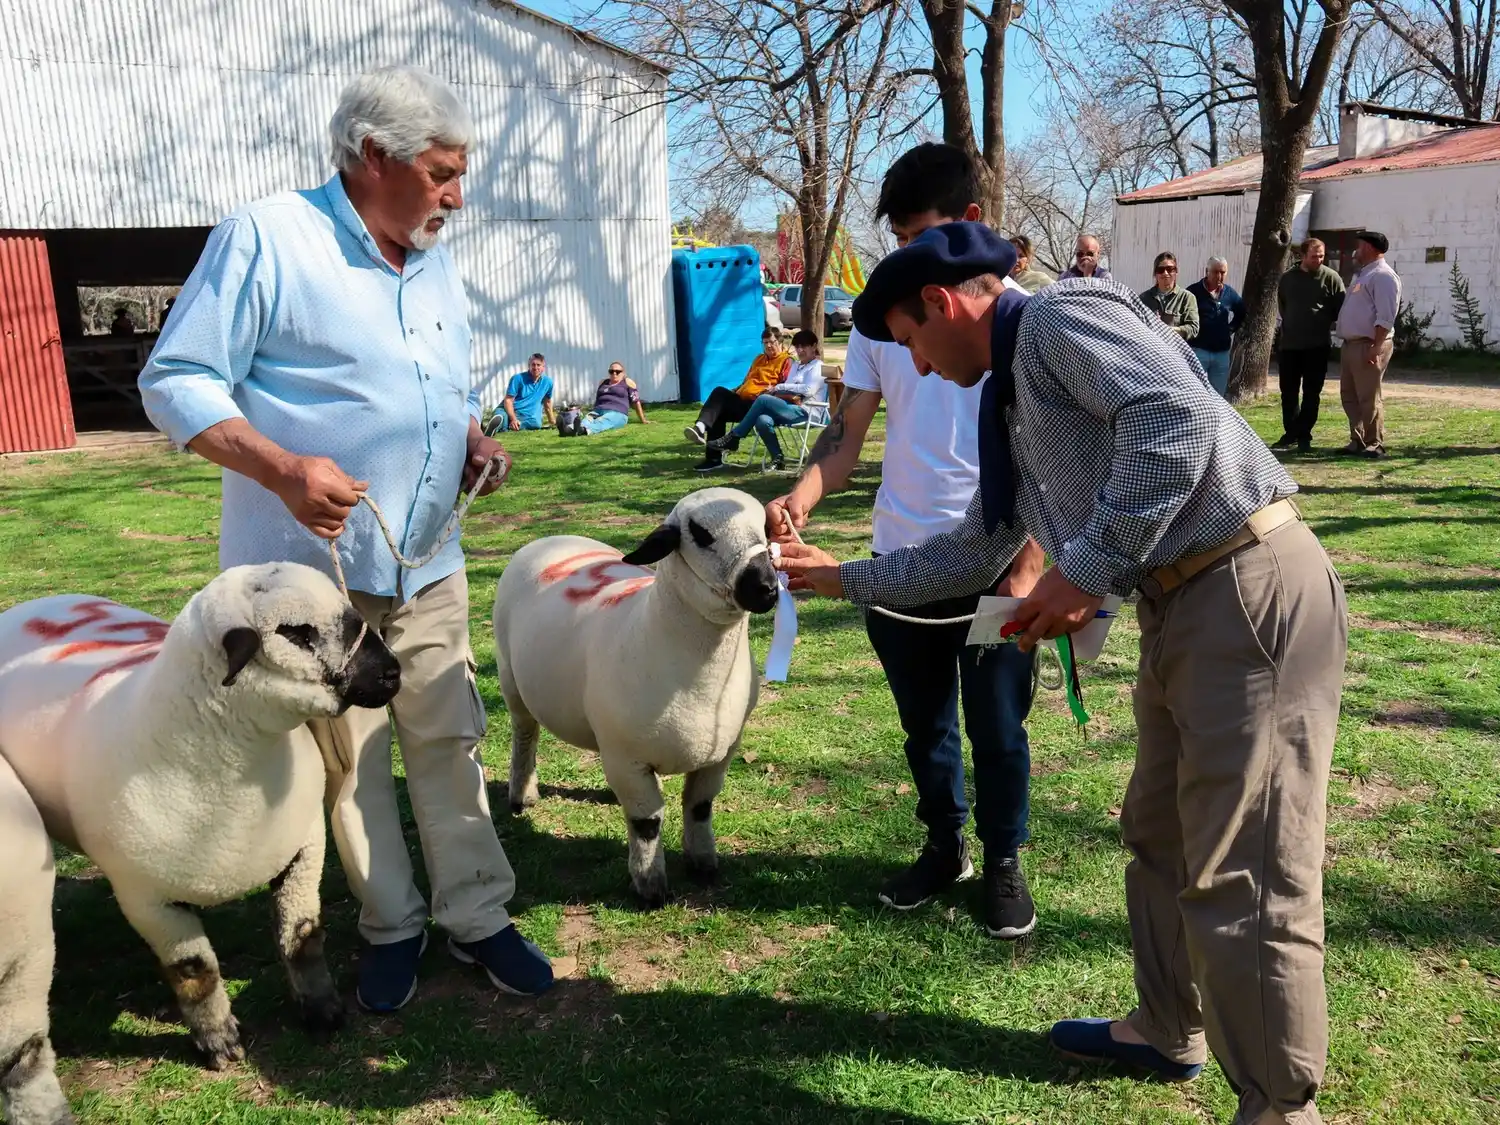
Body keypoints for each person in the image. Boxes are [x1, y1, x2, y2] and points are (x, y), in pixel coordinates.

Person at [777, 221, 1347, 1125]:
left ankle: (1282, 1108)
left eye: (911, 343)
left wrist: (1082, 570)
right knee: (1158, 832)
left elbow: (1180, 420)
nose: (915, 370)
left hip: (1245, 589)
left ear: (942, 302)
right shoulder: (1012, 398)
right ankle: (1166, 1026)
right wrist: (844, 575)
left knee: (1247, 871)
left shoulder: (1054, 321)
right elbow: (979, 547)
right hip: (1183, 603)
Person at [138, 65, 554, 1014]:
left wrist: (471, 440)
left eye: (461, 170)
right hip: (317, 585)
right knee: (353, 757)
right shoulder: (268, 239)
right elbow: (178, 379)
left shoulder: (433, 253)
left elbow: (432, 390)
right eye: (444, 171)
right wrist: (285, 468)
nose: (459, 192)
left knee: (451, 733)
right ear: (375, 157)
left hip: (429, 558)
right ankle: (392, 926)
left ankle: (479, 916)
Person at [765, 143, 1046, 940]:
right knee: (925, 726)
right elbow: (845, 437)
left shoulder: (1024, 319)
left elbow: (1066, 474)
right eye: (894, 241)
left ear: (969, 225)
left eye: (918, 236)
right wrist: (802, 495)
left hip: (998, 561)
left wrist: (1036, 567)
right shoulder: (886, 318)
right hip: (900, 563)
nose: (903, 259)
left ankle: (1003, 859)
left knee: (997, 727)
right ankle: (943, 842)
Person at [705, 329, 825, 470]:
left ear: (813, 346)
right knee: (762, 420)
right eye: (797, 347)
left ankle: (734, 437)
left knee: (763, 399)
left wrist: (780, 386)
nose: (800, 350)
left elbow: (809, 390)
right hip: (790, 407)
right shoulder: (797, 366)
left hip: (807, 411)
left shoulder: (818, 367)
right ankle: (777, 458)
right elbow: (788, 390)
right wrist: (781, 389)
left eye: (803, 346)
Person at [683, 326, 791, 472]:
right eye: (765, 343)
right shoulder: (759, 359)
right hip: (743, 400)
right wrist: (736, 390)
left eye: (771, 342)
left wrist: (770, 391)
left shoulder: (786, 361)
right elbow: (748, 380)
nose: (768, 346)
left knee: (720, 402)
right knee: (719, 397)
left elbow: (785, 386)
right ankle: (708, 447)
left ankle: (716, 437)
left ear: (779, 342)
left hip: (759, 404)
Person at [1273, 238, 1345, 453]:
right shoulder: (1287, 279)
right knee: (1289, 392)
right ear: (1302, 256)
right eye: (1314, 256)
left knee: (1312, 392)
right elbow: (1283, 306)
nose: (1318, 260)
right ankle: (1291, 433)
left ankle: (1305, 434)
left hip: (1317, 345)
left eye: (1321, 256)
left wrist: (1320, 321)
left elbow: (1339, 307)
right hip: (1290, 345)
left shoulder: (1331, 278)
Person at [1335, 230, 1400, 458]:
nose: (1356, 250)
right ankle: (1358, 439)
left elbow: (1386, 316)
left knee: (1368, 395)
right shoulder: (1362, 275)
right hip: (1351, 345)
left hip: (1369, 344)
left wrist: (1376, 346)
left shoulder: (1383, 276)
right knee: (1349, 395)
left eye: (1359, 245)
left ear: (1371, 248)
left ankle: (1375, 443)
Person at [1186, 256, 1245, 397]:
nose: (1219, 276)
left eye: (1223, 272)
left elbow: (1241, 311)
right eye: (1216, 272)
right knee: (1195, 392)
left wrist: (1230, 329)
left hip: (1221, 353)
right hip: (1198, 351)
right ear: (1207, 271)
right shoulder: (1193, 292)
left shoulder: (1229, 293)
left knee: (1218, 395)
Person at [565, 361, 650, 435]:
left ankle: (584, 430)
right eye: (611, 371)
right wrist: (593, 409)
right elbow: (598, 399)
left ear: (623, 373)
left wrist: (643, 419)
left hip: (618, 413)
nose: (614, 373)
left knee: (604, 420)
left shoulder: (627, 382)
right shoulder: (603, 382)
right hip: (598, 411)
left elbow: (636, 401)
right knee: (587, 419)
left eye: (617, 371)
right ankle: (568, 429)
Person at [1138, 252, 1199, 342]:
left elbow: (1193, 328)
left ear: (1176, 272)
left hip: (1175, 352)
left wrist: (1169, 330)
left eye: (1170, 269)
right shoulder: (1143, 298)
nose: (1165, 273)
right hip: (1150, 351)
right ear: (1155, 274)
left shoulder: (1187, 298)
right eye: (1160, 270)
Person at [497, 353, 555, 432]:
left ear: (543, 367)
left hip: (527, 417)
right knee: (500, 416)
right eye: (533, 365)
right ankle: (502, 425)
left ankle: (507, 426)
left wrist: (552, 421)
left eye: (538, 365)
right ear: (529, 365)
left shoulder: (548, 382)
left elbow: (547, 402)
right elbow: (508, 400)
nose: (535, 367)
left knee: (536, 424)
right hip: (508, 411)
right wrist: (513, 419)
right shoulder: (517, 378)